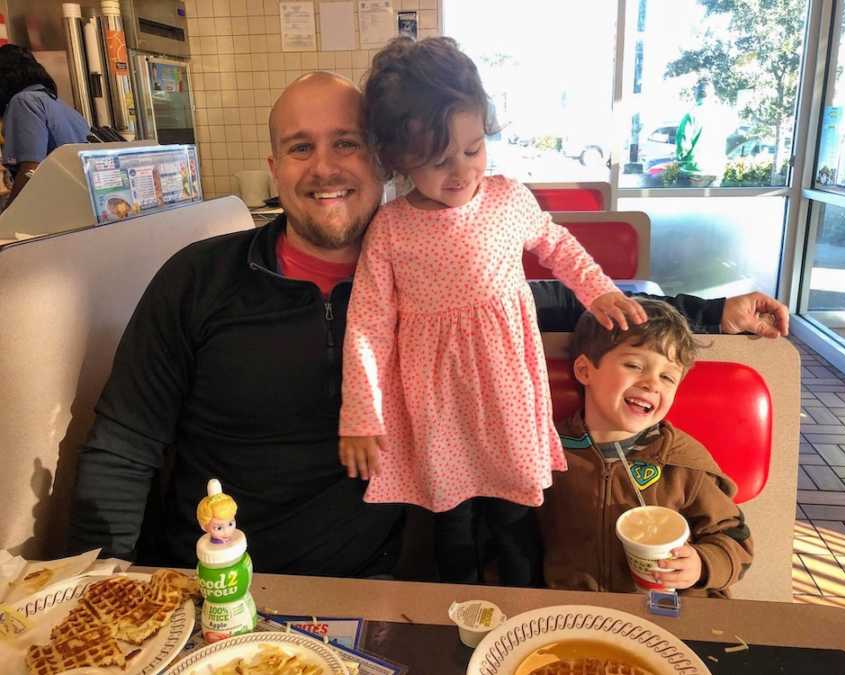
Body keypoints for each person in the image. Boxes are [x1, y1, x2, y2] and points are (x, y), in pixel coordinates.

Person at [67, 70, 787, 577]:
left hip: (364, 579)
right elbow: (125, 443)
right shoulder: (199, 279)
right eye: (300, 147)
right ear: (273, 165)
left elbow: (563, 295)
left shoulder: (446, 254)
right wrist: (101, 579)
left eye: (345, 142)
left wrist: (712, 309)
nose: (325, 167)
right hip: (209, 574)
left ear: (382, 158)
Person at [339, 37, 646, 586]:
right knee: (450, 528)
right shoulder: (390, 229)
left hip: (506, 393)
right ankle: (459, 624)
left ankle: (526, 619)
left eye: (473, 149)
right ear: (397, 159)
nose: (460, 171)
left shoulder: (508, 199)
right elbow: (367, 326)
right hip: (437, 407)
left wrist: (597, 290)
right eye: (438, 160)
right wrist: (362, 417)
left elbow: (555, 245)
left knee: (515, 519)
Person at [540, 299, 753, 596]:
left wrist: (701, 564)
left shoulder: (683, 463)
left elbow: (734, 539)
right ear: (585, 370)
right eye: (634, 365)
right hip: (575, 615)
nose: (652, 384)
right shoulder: (546, 453)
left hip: (670, 616)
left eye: (667, 377)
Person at [0, 44, 90, 207]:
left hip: (54, 207)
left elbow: (30, 170)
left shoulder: (23, 101)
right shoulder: (63, 107)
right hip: (77, 204)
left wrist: (9, 214)